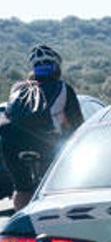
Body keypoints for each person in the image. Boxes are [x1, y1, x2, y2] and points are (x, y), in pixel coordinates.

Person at [0, 44, 84, 210]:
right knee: (57, 187)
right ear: (56, 68)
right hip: (47, 141)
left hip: (11, 142)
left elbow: (10, 115)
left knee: (22, 188)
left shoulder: (18, 88)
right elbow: (78, 125)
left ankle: (23, 224)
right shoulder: (64, 89)